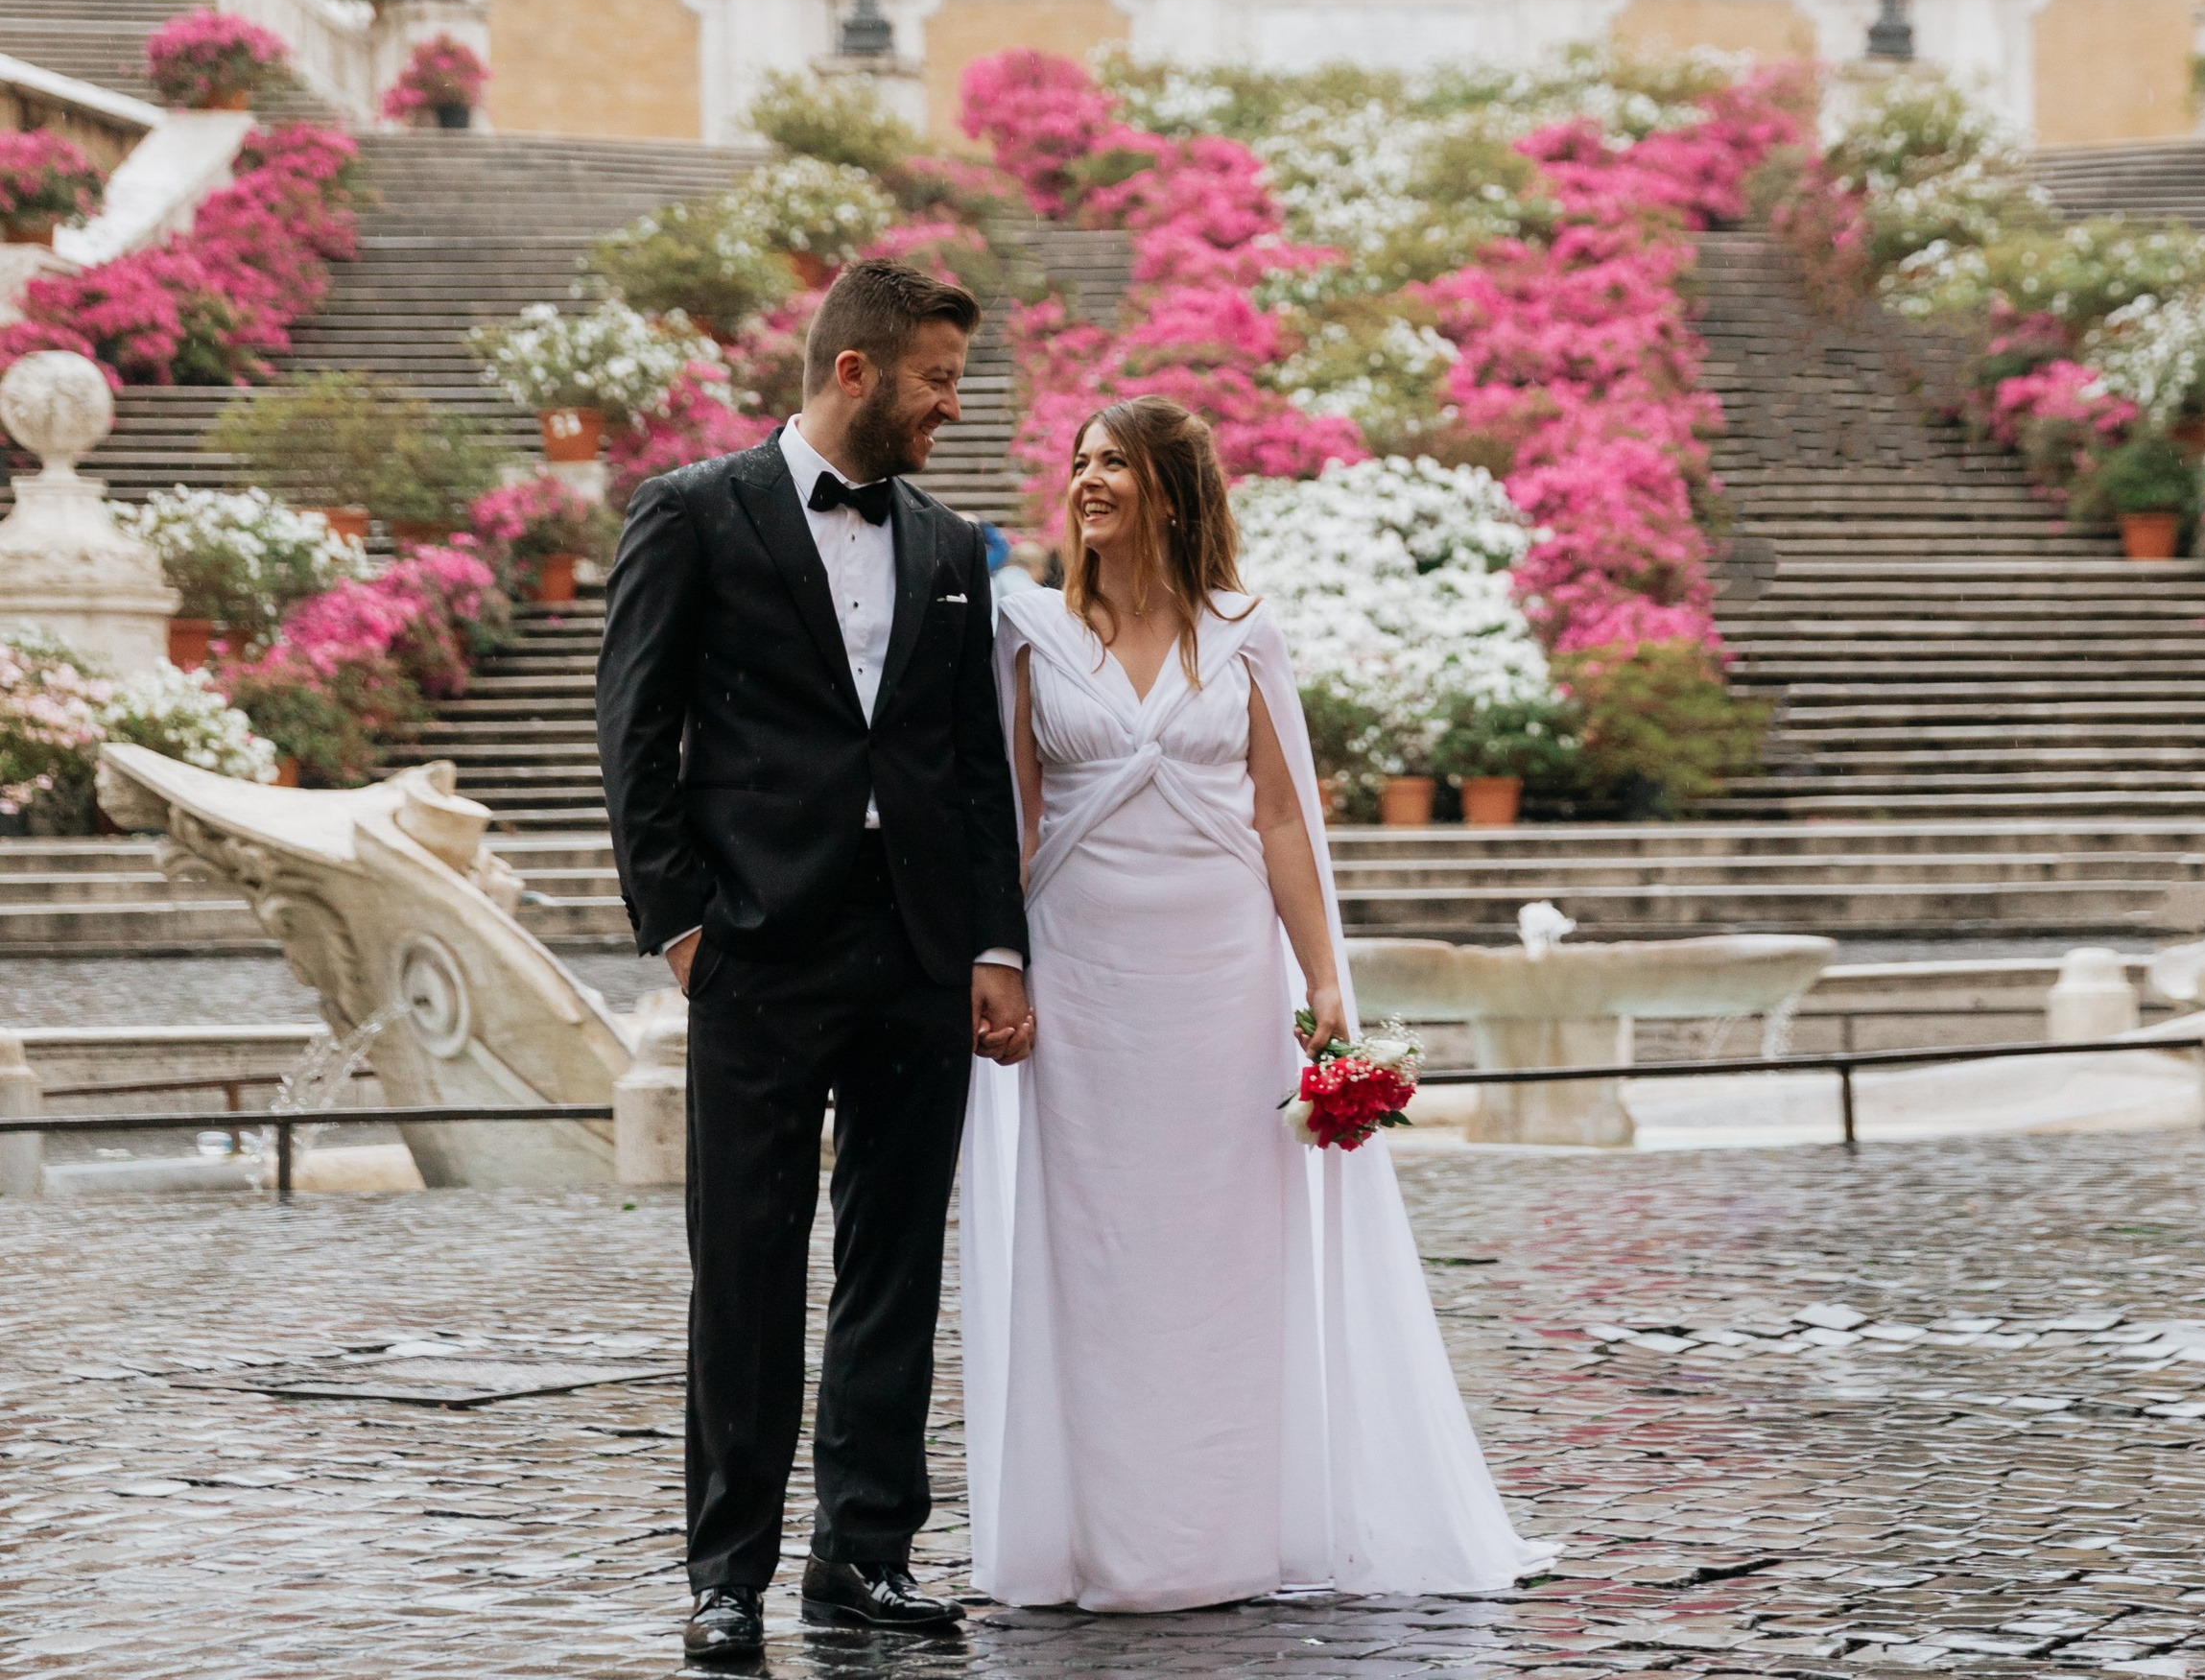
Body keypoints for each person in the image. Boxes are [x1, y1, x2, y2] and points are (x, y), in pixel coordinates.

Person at [960, 396, 1543, 1611]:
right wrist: (993, 961)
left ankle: (1226, 1532)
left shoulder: (1243, 631)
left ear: (1171, 490)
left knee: (1224, 1250)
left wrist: (1325, 979)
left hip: (1221, 979)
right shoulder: (1024, 629)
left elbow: (1283, 817)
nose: (1086, 481)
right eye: (1078, 463)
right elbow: (1008, 820)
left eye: (1113, 463)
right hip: (1087, 978)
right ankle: (1107, 1540)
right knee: (1100, 1251)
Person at [596, 256, 1031, 1665]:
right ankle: (726, 1572)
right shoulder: (690, 513)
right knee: (746, 1264)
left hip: (915, 948)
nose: (951, 409)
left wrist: (991, 941)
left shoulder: (952, 545)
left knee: (894, 1263)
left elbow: (972, 770)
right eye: (937, 381)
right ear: (856, 370)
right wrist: (680, 926)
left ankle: (865, 1558)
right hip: (756, 949)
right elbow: (634, 737)